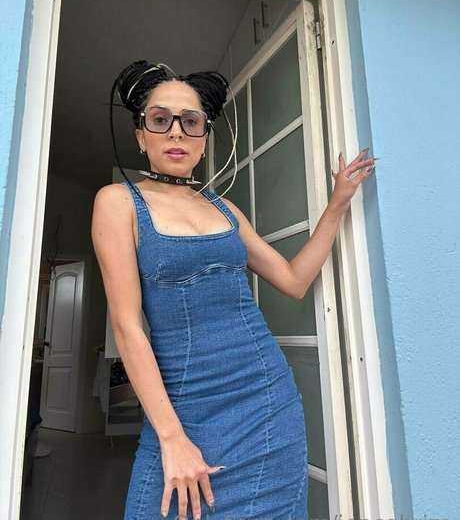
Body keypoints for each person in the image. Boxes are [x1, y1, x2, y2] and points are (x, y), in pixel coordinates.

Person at [91, 60, 377, 520]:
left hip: (267, 404)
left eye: (191, 121)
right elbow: (127, 327)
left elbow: (293, 280)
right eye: (160, 120)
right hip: (183, 412)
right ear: (141, 135)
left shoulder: (225, 209)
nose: (177, 132)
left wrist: (337, 204)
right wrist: (172, 438)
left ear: (204, 138)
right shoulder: (118, 202)